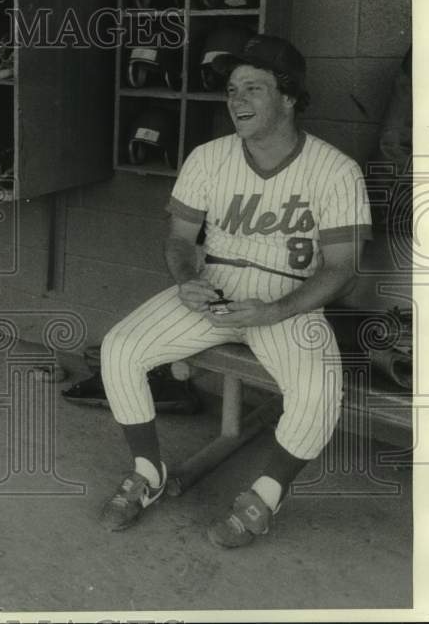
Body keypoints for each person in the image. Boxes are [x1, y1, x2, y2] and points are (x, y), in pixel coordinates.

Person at [98, 34, 371, 548]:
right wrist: (187, 281)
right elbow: (179, 239)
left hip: (289, 297)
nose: (236, 100)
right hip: (214, 286)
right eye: (230, 90)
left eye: (253, 88)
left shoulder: (336, 170)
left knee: (320, 391)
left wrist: (276, 311)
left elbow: (341, 269)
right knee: (119, 348)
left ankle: (264, 496)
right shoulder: (208, 157)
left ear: (288, 97)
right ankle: (148, 473)